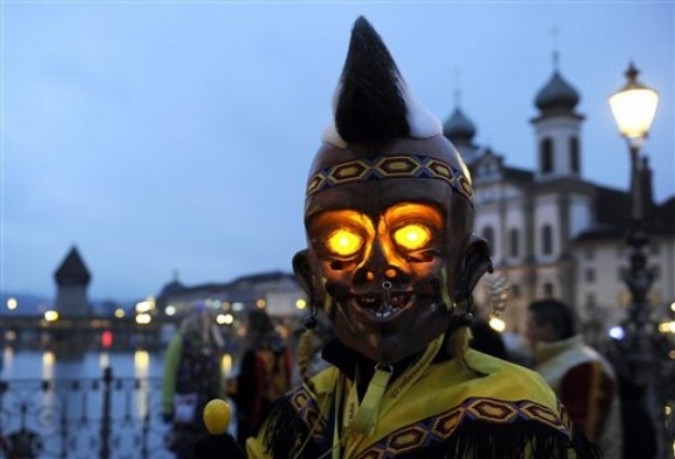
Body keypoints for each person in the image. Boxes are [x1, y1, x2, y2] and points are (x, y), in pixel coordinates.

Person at [194, 16, 599, 458]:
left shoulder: (515, 418)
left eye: (413, 234)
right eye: (343, 240)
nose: (377, 264)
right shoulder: (305, 412)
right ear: (312, 280)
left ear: (468, 269)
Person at [525, 298, 622, 458]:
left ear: (546, 329)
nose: (526, 333)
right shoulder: (555, 362)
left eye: (529, 326)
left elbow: (583, 439)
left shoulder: (584, 366)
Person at [161, 305, 224, 459]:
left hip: (196, 405)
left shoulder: (209, 341)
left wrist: (167, 406)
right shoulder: (210, 341)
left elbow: (169, 373)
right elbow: (169, 374)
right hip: (194, 406)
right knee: (190, 448)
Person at [231, 310, 293, 448]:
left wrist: (231, 390)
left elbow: (246, 389)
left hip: (256, 414)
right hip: (280, 411)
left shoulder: (252, 353)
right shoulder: (283, 349)